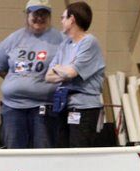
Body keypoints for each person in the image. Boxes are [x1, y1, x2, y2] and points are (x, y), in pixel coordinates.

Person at [0, 0, 63, 149]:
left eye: (44, 14)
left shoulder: (60, 40)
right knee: (14, 152)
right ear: (27, 14)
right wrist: (18, 83)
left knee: (42, 151)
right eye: (36, 13)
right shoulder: (13, 39)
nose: (40, 17)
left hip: (43, 107)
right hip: (13, 107)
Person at [45, 1, 105, 147]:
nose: (61, 21)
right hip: (65, 105)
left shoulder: (89, 42)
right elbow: (48, 76)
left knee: (78, 150)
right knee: (62, 149)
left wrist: (61, 69)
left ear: (72, 19)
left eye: (63, 17)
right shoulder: (65, 44)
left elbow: (71, 73)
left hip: (84, 108)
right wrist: (64, 71)